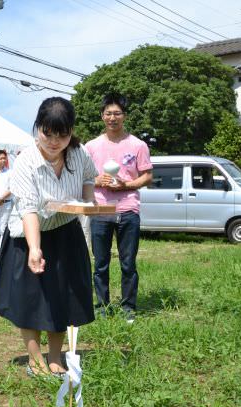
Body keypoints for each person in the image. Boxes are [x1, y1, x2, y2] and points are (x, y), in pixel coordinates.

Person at [0, 97, 97, 377]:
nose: (53, 141)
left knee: (64, 296)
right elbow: (28, 210)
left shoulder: (79, 153)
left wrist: (87, 201)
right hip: (29, 234)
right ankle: (35, 358)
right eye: (47, 133)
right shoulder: (26, 161)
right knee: (32, 298)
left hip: (66, 232)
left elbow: (88, 178)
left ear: (71, 131)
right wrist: (35, 249)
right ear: (38, 127)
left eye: (62, 135)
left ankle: (56, 356)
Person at [85, 94, 153, 323]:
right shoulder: (91, 146)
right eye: (108, 113)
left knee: (128, 263)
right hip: (100, 209)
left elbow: (147, 176)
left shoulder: (137, 145)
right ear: (102, 116)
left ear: (124, 116)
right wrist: (97, 181)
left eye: (117, 113)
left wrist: (127, 184)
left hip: (128, 209)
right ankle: (101, 307)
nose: (112, 117)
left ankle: (128, 309)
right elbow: (83, 177)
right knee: (100, 263)